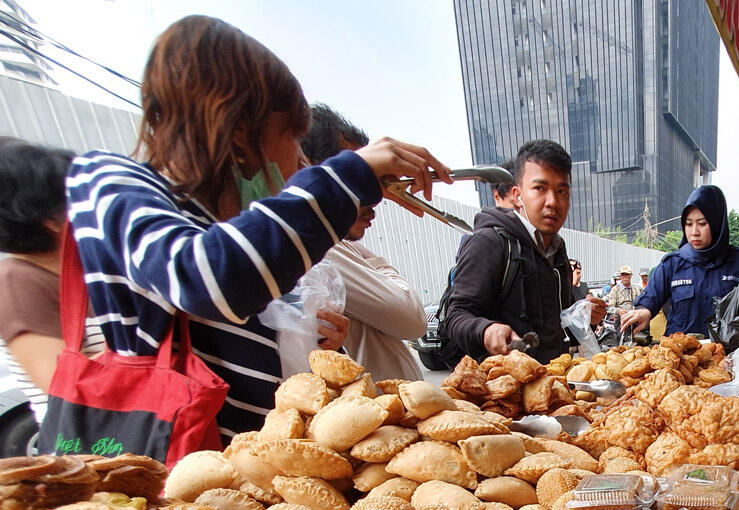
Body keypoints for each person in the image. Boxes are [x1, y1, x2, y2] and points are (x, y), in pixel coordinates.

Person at [63, 16, 449, 441]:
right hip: (178, 474)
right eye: (293, 139)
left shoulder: (233, 229)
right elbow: (209, 282)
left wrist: (320, 348)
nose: (299, 165)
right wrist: (347, 174)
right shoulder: (108, 179)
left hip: (255, 470)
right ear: (239, 129)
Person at [443, 139, 604, 362]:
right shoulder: (490, 242)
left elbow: (555, 331)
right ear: (518, 195)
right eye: (540, 188)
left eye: (562, 191)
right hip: (504, 389)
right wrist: (486, 330)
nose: (552, 202)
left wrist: (585, 319)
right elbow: (455, 317)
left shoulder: (557, 251)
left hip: (553, 386)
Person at [301, 104, 428, 381]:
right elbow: (411, 318)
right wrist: (375, 262)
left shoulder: (333, 244)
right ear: (308, 171)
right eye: (355, 178)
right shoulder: (320, 246)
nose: (373, 202)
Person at [0, 139, 105, 428]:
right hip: (100, 451)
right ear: (49, 219)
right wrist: (140, 339)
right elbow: (60, 381)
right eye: (78, 196)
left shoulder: (85, 273)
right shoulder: (17, 280)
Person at [621, 184, 739, 337]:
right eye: (688, 224)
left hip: (725, 354)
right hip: (679, 355)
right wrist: (643, 312)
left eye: (702, 224)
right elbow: (651, 297)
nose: (694, 232)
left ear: (716, 223)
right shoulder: (673, 264)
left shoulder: (738, 263)